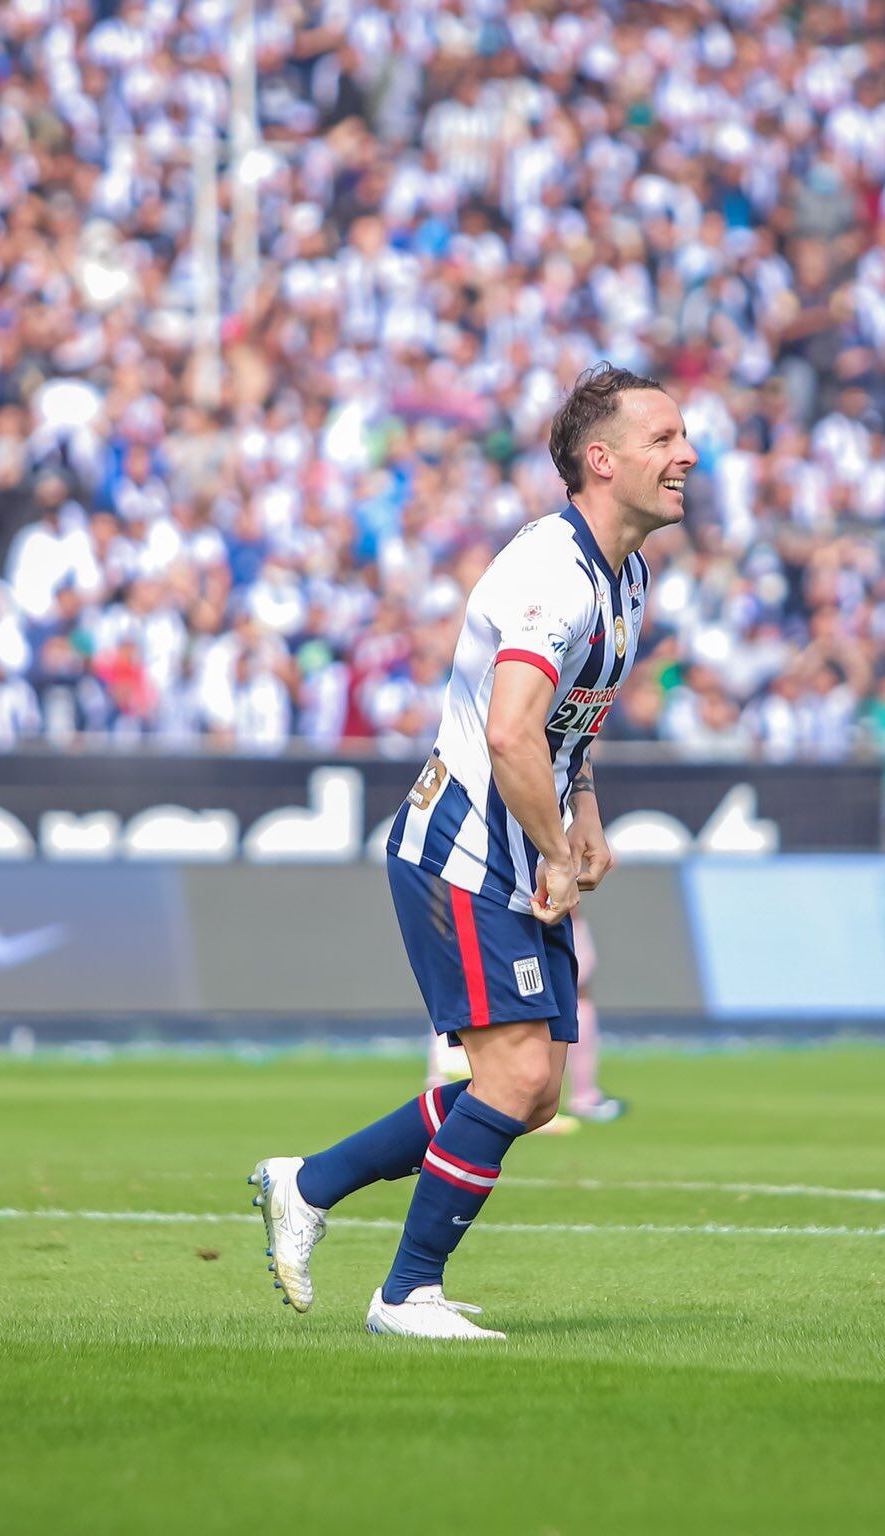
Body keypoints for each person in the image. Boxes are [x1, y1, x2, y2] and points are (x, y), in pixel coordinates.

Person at [250, 364, 694, 1340]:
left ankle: (309, 1181)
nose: (686, 455)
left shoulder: (623, 574)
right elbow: (506, 732)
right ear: (600, 459)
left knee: (528, 1092)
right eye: (662, 439)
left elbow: (564, 727)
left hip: (511, 842)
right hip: (463, 848)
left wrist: (580, 809)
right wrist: (549, 852)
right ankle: (405, 1294)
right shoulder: (552, 574)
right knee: (516, 1081)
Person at [425, 914, 625, 1132]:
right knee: (498, 991)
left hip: (523, 911)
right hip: (509, 911)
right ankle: (450, 1081)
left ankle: (578, 1094)